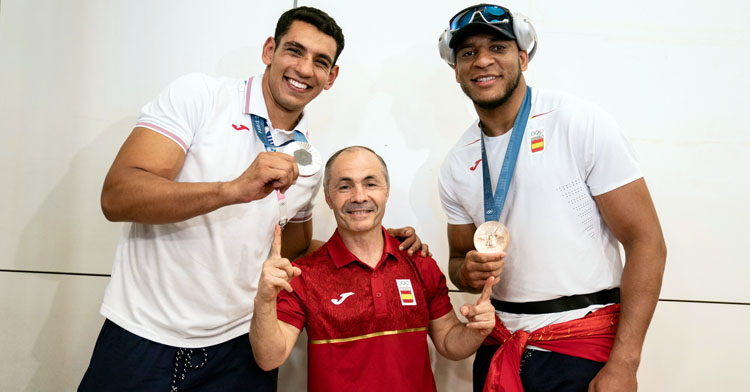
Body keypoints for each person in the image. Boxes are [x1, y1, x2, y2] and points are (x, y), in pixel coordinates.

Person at [79, 7, 426, 391]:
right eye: (294, 51)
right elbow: (117, 196)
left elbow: (291, 250)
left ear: (331, 77)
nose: (305, 69)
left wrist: (372, 240)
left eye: (320, 62)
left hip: (240, 351)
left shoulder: (309, 161)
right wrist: (232, 190)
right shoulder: (201, 96)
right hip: (142, 335)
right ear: (269, 51)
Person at [436, 4, 667, 392]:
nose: (483, 60)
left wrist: (625, 362)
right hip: (499, 344)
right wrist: (467, 272)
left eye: (498, 47)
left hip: (581, 344)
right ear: (456, 70)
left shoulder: (577, 122)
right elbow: (458, 262)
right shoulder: (457, 162)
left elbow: (647, 242)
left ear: (523, 57)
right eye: (468, 53)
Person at [249, 146, 497, 392]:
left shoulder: (419, 262)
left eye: (370, 184)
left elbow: (448, 342)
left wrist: (476, 331)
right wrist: (264, 299)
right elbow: (270, 357)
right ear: (328, 197)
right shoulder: (304, 273)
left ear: (386, 191)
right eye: (345, 186)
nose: (359, 197)